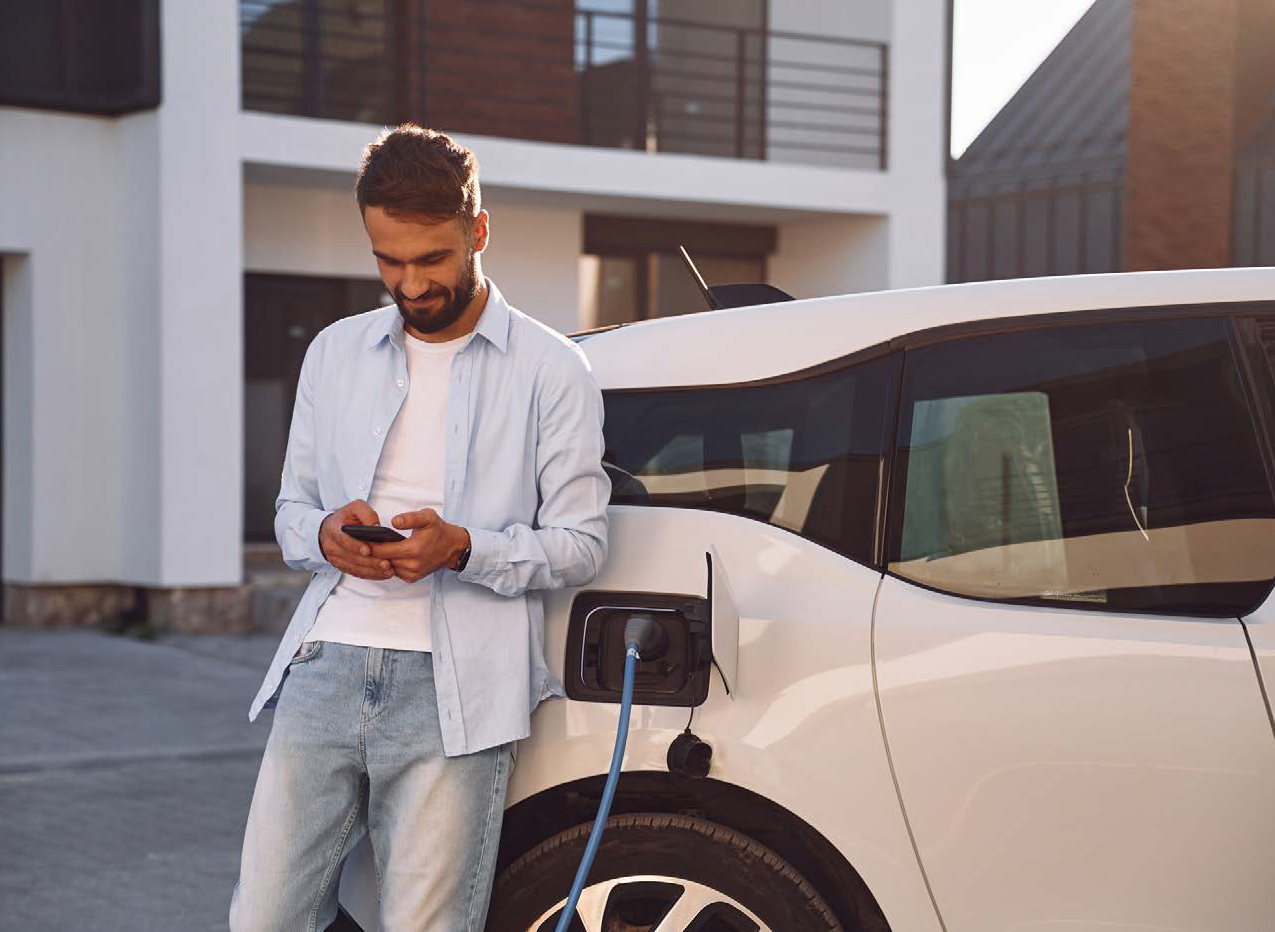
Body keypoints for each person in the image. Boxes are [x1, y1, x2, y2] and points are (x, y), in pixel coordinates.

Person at [229, 124, 611, 931]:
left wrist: (464, 546)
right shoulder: (334, 353)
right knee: (264, 918)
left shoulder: (552, 370)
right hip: (326, 665)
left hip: (459, 688)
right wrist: (325, 534)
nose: (409, 283)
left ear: (478, 231)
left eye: (430, 259)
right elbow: (291, 510)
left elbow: (582, 541)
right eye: (387, 260)